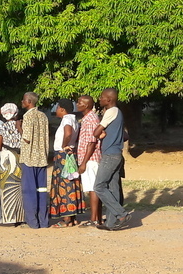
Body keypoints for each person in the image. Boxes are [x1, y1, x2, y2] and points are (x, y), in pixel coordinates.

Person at [92, 88, 131, 231]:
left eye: (102, 97)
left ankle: (121, 214)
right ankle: (110, 222)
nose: (100, 99)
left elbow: (96, 132)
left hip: (110, 155)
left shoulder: (111, 111)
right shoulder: (118, 113)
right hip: (116, 154)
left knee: (99, 186)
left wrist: (101, 133)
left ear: (109, 99)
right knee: (113, 188)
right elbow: (125, 135)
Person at [49, 99, 84, 227]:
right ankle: (72, 217)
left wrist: (64, 145)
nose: (56, 110)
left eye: (57, 108)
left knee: (64, 185)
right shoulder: (73, 119)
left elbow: (68, 133)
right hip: (70, 154)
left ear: (62, 109)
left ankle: (66, 219)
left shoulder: (67, 119)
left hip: (63, 155)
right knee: (70, 183)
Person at [20, 92, 50, 229]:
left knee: (29, 191)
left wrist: (18, 128)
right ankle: (43, 221)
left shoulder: (27, 116)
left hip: (29, 158)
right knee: (42, 190)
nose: (22, 102)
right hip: (42, 157)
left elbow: (26, 138)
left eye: (23, 100)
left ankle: (32, 222)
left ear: (29, 101)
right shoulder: (43, 116)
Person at [0, 103, 25, 225]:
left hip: (7, 159)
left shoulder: (2, 127)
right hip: (20, 158)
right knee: (20, 187)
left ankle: (10, 218)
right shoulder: (21, 126)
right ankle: (21, 216)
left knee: (6, 187)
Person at [76, 95, 102, 228]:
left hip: (90, 160)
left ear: (86, 105)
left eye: (79, 102)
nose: (77, 104)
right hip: (88, 158)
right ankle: (97, 218)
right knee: (92, 188)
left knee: (93, 189)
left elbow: (91, 143)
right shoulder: (86, 119)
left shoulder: (91, 120)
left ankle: (94, 219)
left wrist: (84, 163)